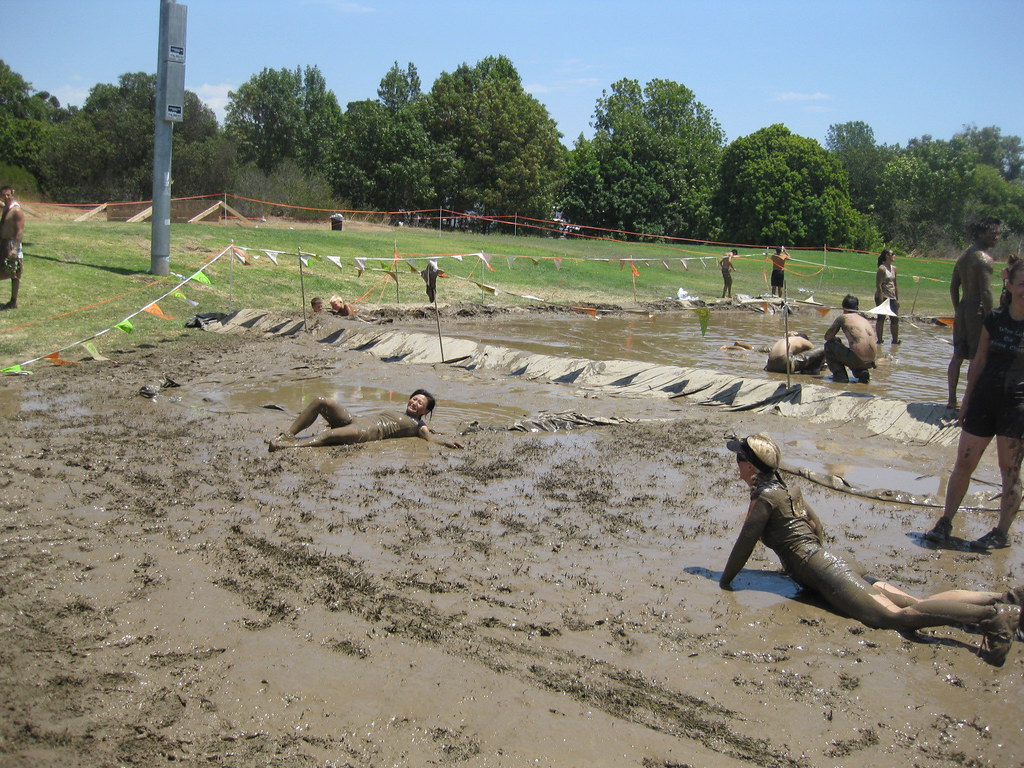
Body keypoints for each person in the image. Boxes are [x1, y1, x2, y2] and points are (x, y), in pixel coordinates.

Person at [719, 433, 1021, 666]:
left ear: (750, 466)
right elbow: (817, 528)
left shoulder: (765, 498)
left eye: (738, 458)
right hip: (833, 564)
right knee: (916, 602)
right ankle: (1007, 600)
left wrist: (724, 582)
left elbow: (744, 544)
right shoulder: (787, 489)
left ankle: (993, 618)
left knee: (893, 617)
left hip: (826, 569)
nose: (736, 464)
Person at [924, 257, 1024, 550]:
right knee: (963, 463)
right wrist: (965, 401)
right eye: (1022, 284)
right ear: (1009, 285)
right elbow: (978, 361)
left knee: (1010, 471)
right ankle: (945, 522)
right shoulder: (994, 319)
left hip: (1016, 407)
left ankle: (1001, 533)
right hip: (983, 400)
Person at [269, 389, 462, 451]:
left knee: (329, 435)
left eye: (420, 403)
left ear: (426, 410)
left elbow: (430, 438)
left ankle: (288, 446)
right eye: (414, 399)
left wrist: (446, 443)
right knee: (321, 401)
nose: (415, 403)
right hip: (355, 420)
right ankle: (288, 435)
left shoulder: (419, 425)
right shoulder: (400, 413)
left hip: (365, 432)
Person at [947, 218, 1000, 409]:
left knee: (958, 355)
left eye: (998, 234)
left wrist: (957, 309)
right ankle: (969, 402)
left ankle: (951, 400)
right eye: (993, 233)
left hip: (962, 308)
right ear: (981, 233)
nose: (997, 237)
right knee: (977, 357)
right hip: (977, 311)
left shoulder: (963, 257)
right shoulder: (984, 259)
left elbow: (953, 287)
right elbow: (986, 292)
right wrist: (991, 317)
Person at [824, 295, 877, 383]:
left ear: (843, 308)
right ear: (857, 308)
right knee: (852, 349)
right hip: (871, 361)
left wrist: (835, 340)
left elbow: (827, 337)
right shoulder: (864, 319)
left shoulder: (843, 318)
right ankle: (862, 372)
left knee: (829, 345)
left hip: (857, 359)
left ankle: (840, 376)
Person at [0, 185, 25, 310]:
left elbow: (20, 232)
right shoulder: (5, 206)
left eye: (8, 195)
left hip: (12, 244)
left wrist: (15, 249)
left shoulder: (16, 210)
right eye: (4, 195)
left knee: (15, 274)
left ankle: (13, 301)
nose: (6, 197)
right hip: (3, 243)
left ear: (12, 194)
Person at [874, 249, 900, 345]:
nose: (894, 256)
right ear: (887, 256)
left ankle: (895, 341)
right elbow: (878, 285)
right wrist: (881, 300)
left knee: (895, 319)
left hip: (892, 297)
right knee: (881, 318)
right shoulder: (882, 269)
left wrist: (897, 299)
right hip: (883, 296)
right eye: (892, 254)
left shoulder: (894, 268)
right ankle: (879, 340)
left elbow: (895, 284)